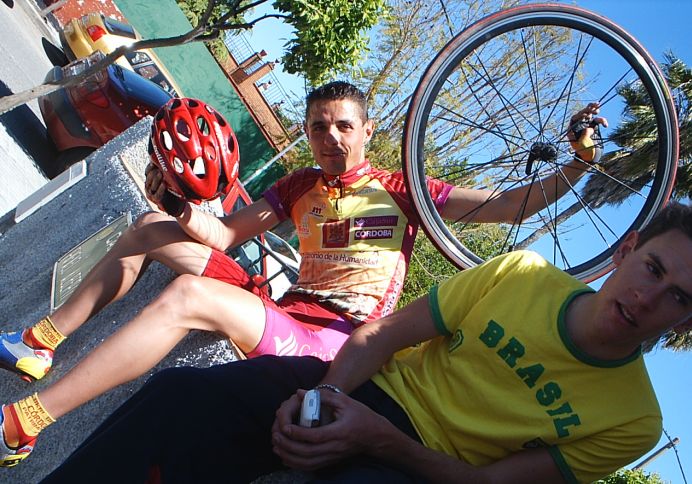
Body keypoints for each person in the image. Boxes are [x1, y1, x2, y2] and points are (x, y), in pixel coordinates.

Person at [0, 82, 604, 468]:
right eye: (318, 126)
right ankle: (38, 345)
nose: (330, 137)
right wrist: (179, 206)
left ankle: (24, 424)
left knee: (188, 295)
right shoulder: (298, 186)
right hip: (281, 309)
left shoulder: (404, 190)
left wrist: (578, 161)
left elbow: (510, 205)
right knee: (149, 228)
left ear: (367, 132)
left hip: (332, 342)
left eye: (344, 125)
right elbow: (225, 236)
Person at [40, 201, 692, 483]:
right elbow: (380, 337)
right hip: (359, 386)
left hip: (418, 468)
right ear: (626, 249)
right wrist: (321, 402)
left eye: (680, 299)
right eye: (653, 269)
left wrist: (379, 441)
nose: (647, 298)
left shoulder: (633, 420)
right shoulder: (521, 274)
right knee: (182, 399)